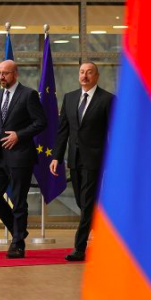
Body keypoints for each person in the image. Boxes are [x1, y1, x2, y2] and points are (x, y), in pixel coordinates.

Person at [50, 62, 114, 261]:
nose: (84, 76)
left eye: (89, 72)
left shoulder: (108, 99)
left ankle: (79, 248)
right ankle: (110, 238)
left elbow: (115, 132)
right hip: (74, 160)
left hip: (95, 159)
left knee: (86, 203)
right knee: (83, 202)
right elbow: (63, 131)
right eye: (82, 72)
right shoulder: (69, 98)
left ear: (97, 76)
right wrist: (56, 156)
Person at [0, 59, 47, 258]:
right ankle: (18, 230)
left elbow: (41, 122)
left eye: (5, 73)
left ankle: (18, 244)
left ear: (15, 74)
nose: (1, 76)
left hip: (21, 156)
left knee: (19, 200)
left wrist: (19, 135)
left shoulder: (28, 94)